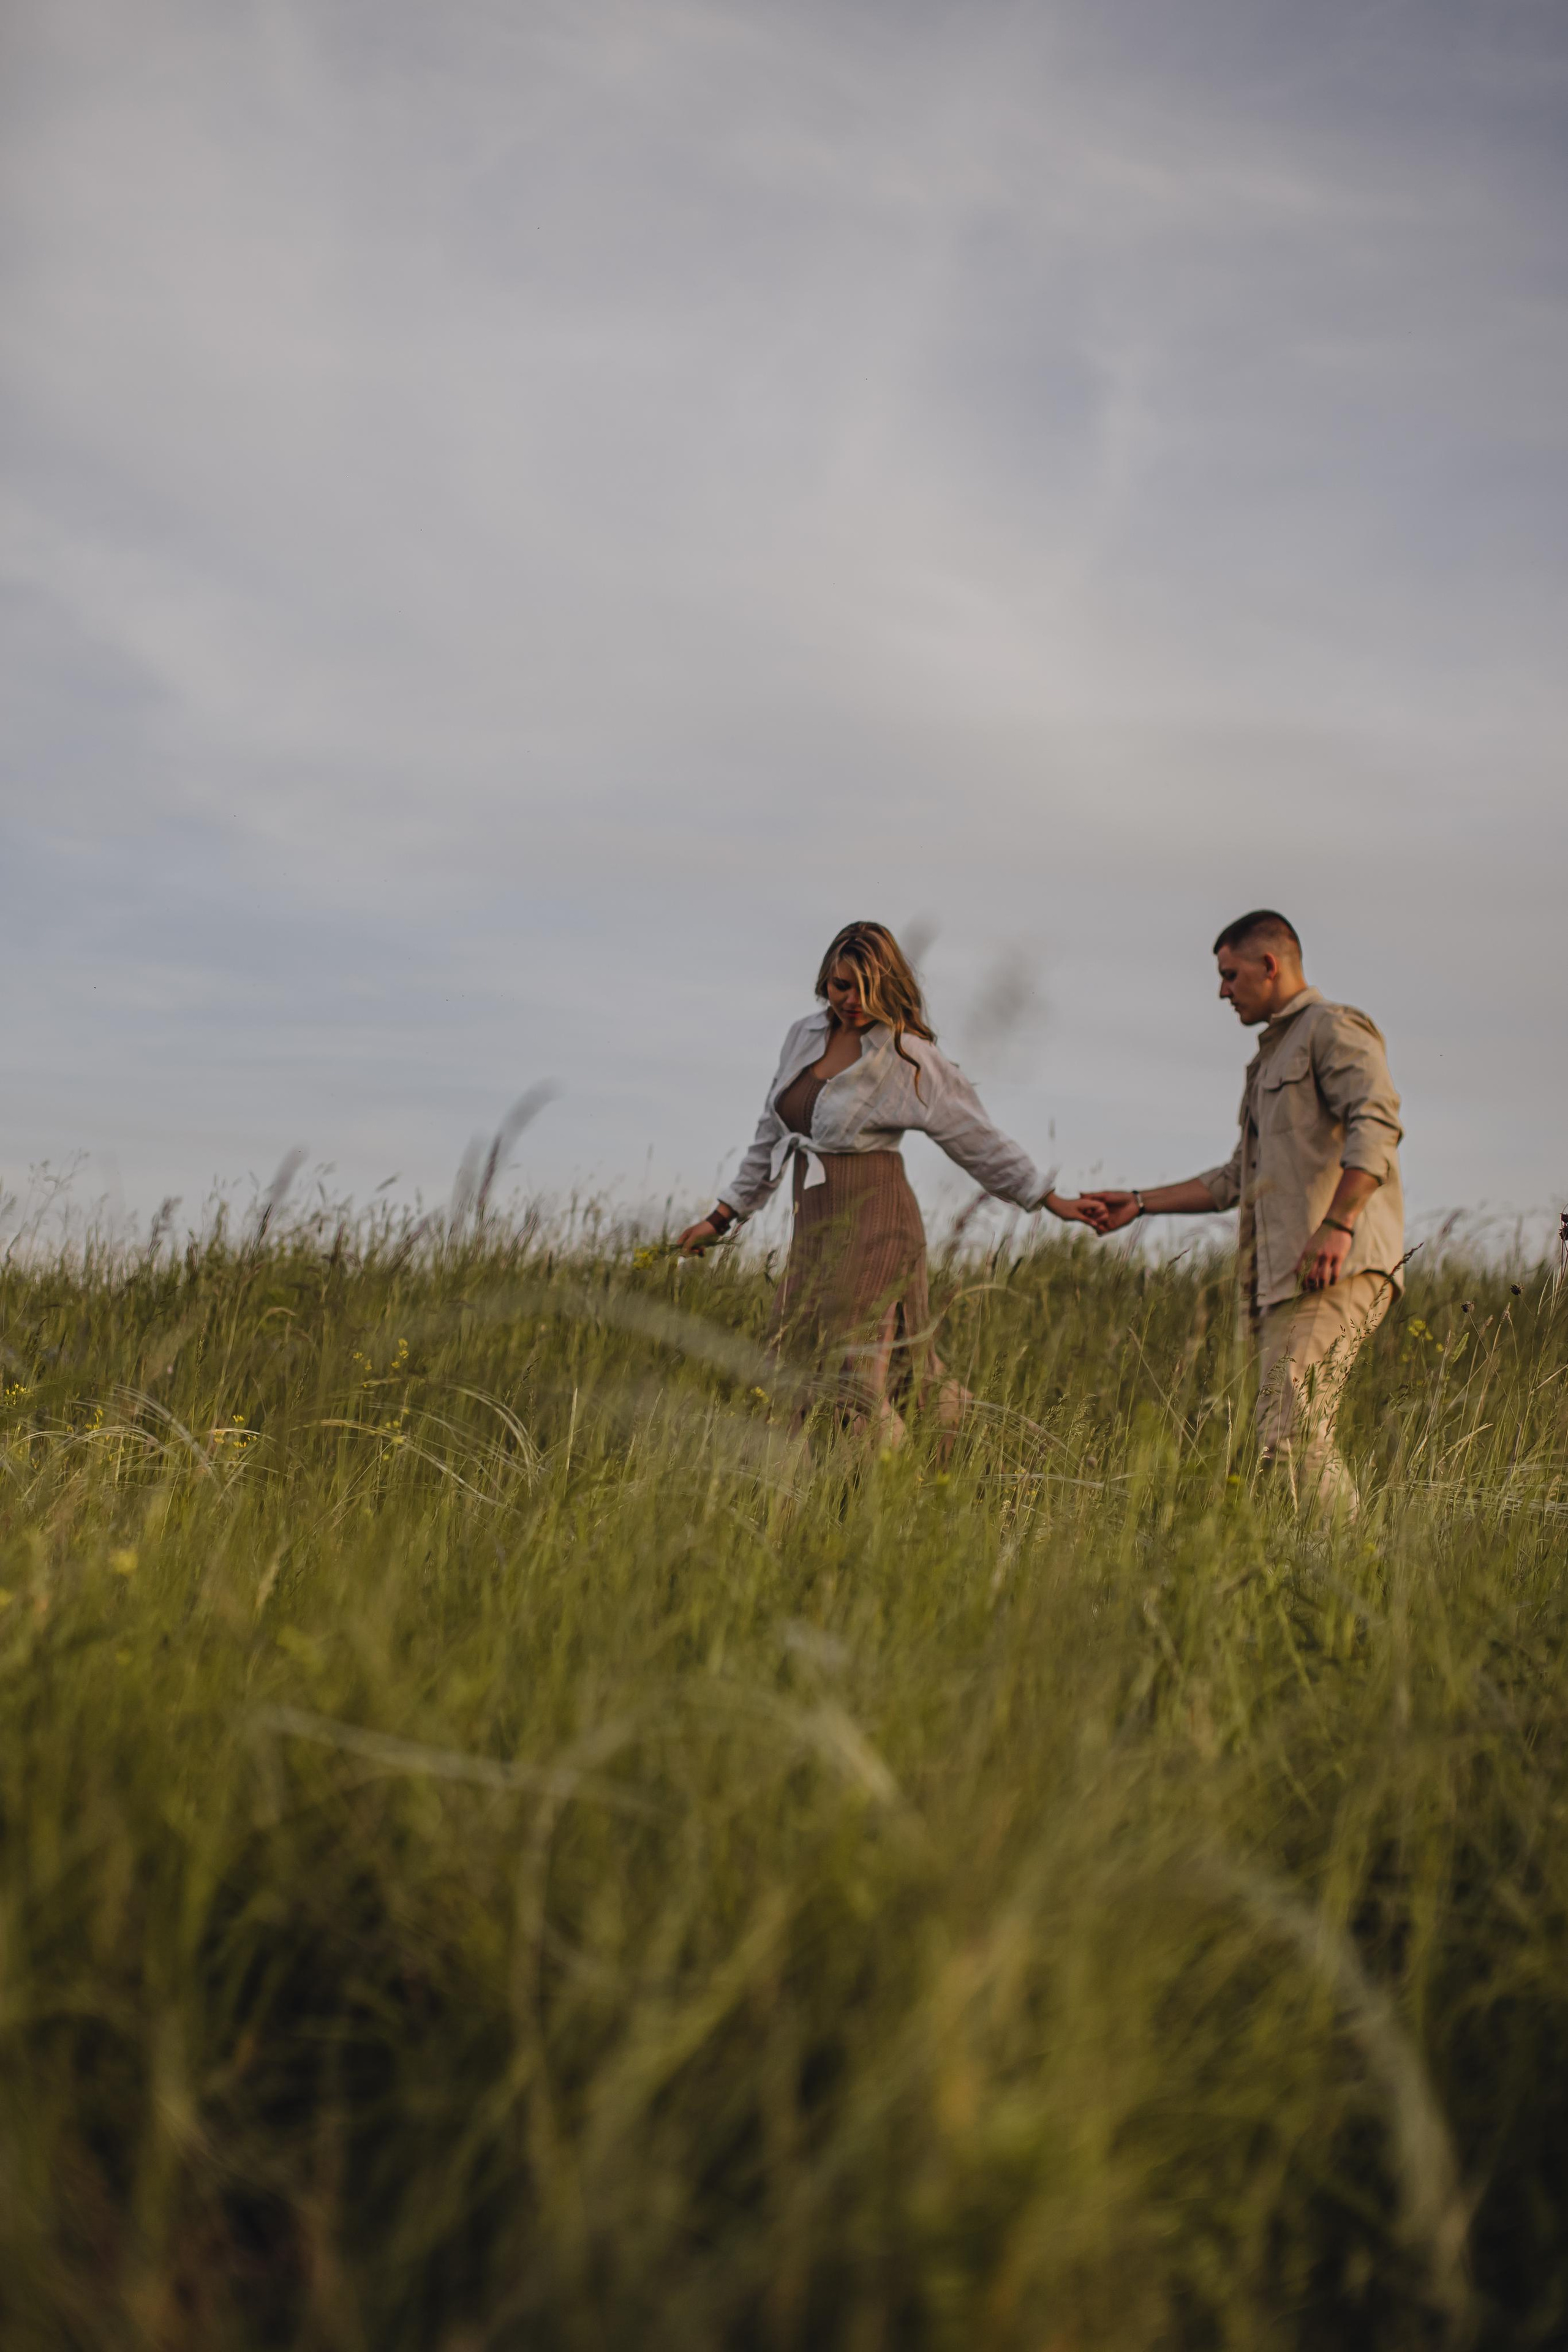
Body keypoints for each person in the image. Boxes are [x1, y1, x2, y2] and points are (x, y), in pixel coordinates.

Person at [678, 920, 1098, 1442]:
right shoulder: (802, 1037)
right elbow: (771, 1133)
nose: (852, 999)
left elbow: (976, 1136)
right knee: (824, 1364)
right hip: (815, 1227)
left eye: (868, 988)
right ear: (825, 981)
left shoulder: (907, 1056)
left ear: (891, 987)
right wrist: (722, 1217)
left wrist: (1047, 1196)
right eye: (841, 985)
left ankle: (877, 1492)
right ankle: (992, 1453)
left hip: (878, 1224)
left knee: (853, 1379)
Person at [1082, 910, 1404, 1514]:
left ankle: (1362, 1574)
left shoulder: (1331, 1028)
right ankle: (1320, 1576)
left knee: (1292, 1438)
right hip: (1284, 1277)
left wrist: (1337, 1226)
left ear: (1269, 965)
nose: (1222, 991)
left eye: (1230, 975)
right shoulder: (1270, 1057)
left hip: (1334, 1266)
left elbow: (1377, 1122)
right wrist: (1141, 1203)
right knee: (1279, 1439)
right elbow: (1238, 1178)